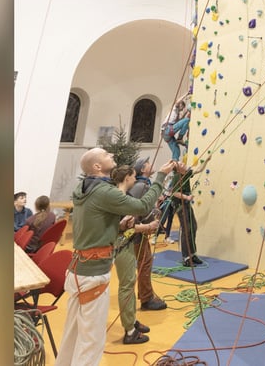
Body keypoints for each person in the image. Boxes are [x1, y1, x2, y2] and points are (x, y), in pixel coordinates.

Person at [54, 148, 175, 366]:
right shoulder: (104, 191)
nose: (112, 155)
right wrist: (160, 177)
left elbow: (93, 222)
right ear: (97, 167)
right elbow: (142, 205)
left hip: (78, 269)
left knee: (72, 334)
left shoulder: (83, 188)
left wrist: (116, 226)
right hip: (92, 274)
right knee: (92, 340)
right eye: (106, 155)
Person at [109, 165, 160, 345]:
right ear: (128, 178)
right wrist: (146, 227)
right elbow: (120, 229)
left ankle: (131, 321)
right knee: (126, 286)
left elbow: (125, 225)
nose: (135, 178)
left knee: (129, 284)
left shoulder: (123, 196)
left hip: (127, 243)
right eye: (133, 176)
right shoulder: (119, 197)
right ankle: (129, 331)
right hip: (122, 245)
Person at [129, 157, 167, 311]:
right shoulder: (142, 186)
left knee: (145, 262)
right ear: (144, 169)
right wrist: (154, 219)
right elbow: (143, 210)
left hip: (136, 231)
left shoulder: (141, 185)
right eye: (148, 164)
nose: (151, 165)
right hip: (138, 233)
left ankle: (147, 295)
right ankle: (146, 298)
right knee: (145, 264)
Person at [169, 160, 202, 266]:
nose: (184, 164)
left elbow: (199, 169)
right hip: (180, 205)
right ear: (178, 169)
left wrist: (207, 160)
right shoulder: (177, 177)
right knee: (186, 229)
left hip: (186, 204)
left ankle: (193, 254)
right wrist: (186, 197)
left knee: (193, 227)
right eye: (181, 164)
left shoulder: (186, 173)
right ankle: (186, 257)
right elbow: (174, 192)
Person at [162, 96, 190, 161]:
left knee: (177, 151)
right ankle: (180, 138)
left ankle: (175, 167)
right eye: (182, 107)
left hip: (168, 136)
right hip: (167, 130)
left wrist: (186, 112)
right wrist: (187, 93)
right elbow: (177, 101)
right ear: (180, 104)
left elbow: (180, 121)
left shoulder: (177, 114)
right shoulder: (174, 109)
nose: (182, 109)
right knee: (186, 120)